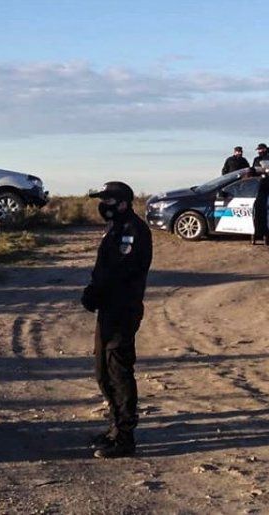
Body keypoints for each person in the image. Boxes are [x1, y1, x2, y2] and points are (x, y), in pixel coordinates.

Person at [82, 181, 153, 459]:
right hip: (109, 309)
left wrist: (95, 291)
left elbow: (119, 272)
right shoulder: (115, 228)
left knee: (118, 371)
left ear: (122, 203)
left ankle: (125, 437)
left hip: (123, 309)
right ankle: (114, 426)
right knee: (103, 371)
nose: (103, 206)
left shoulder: (132, 231)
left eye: (108, 201)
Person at [251, 167, 269, 246]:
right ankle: (265, 239)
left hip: (255, 201)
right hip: (261, 201)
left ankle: (254, 239)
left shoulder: (252, 181)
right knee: (262, 220)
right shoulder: (263, 179)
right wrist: (268, 175)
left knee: (255, 220)